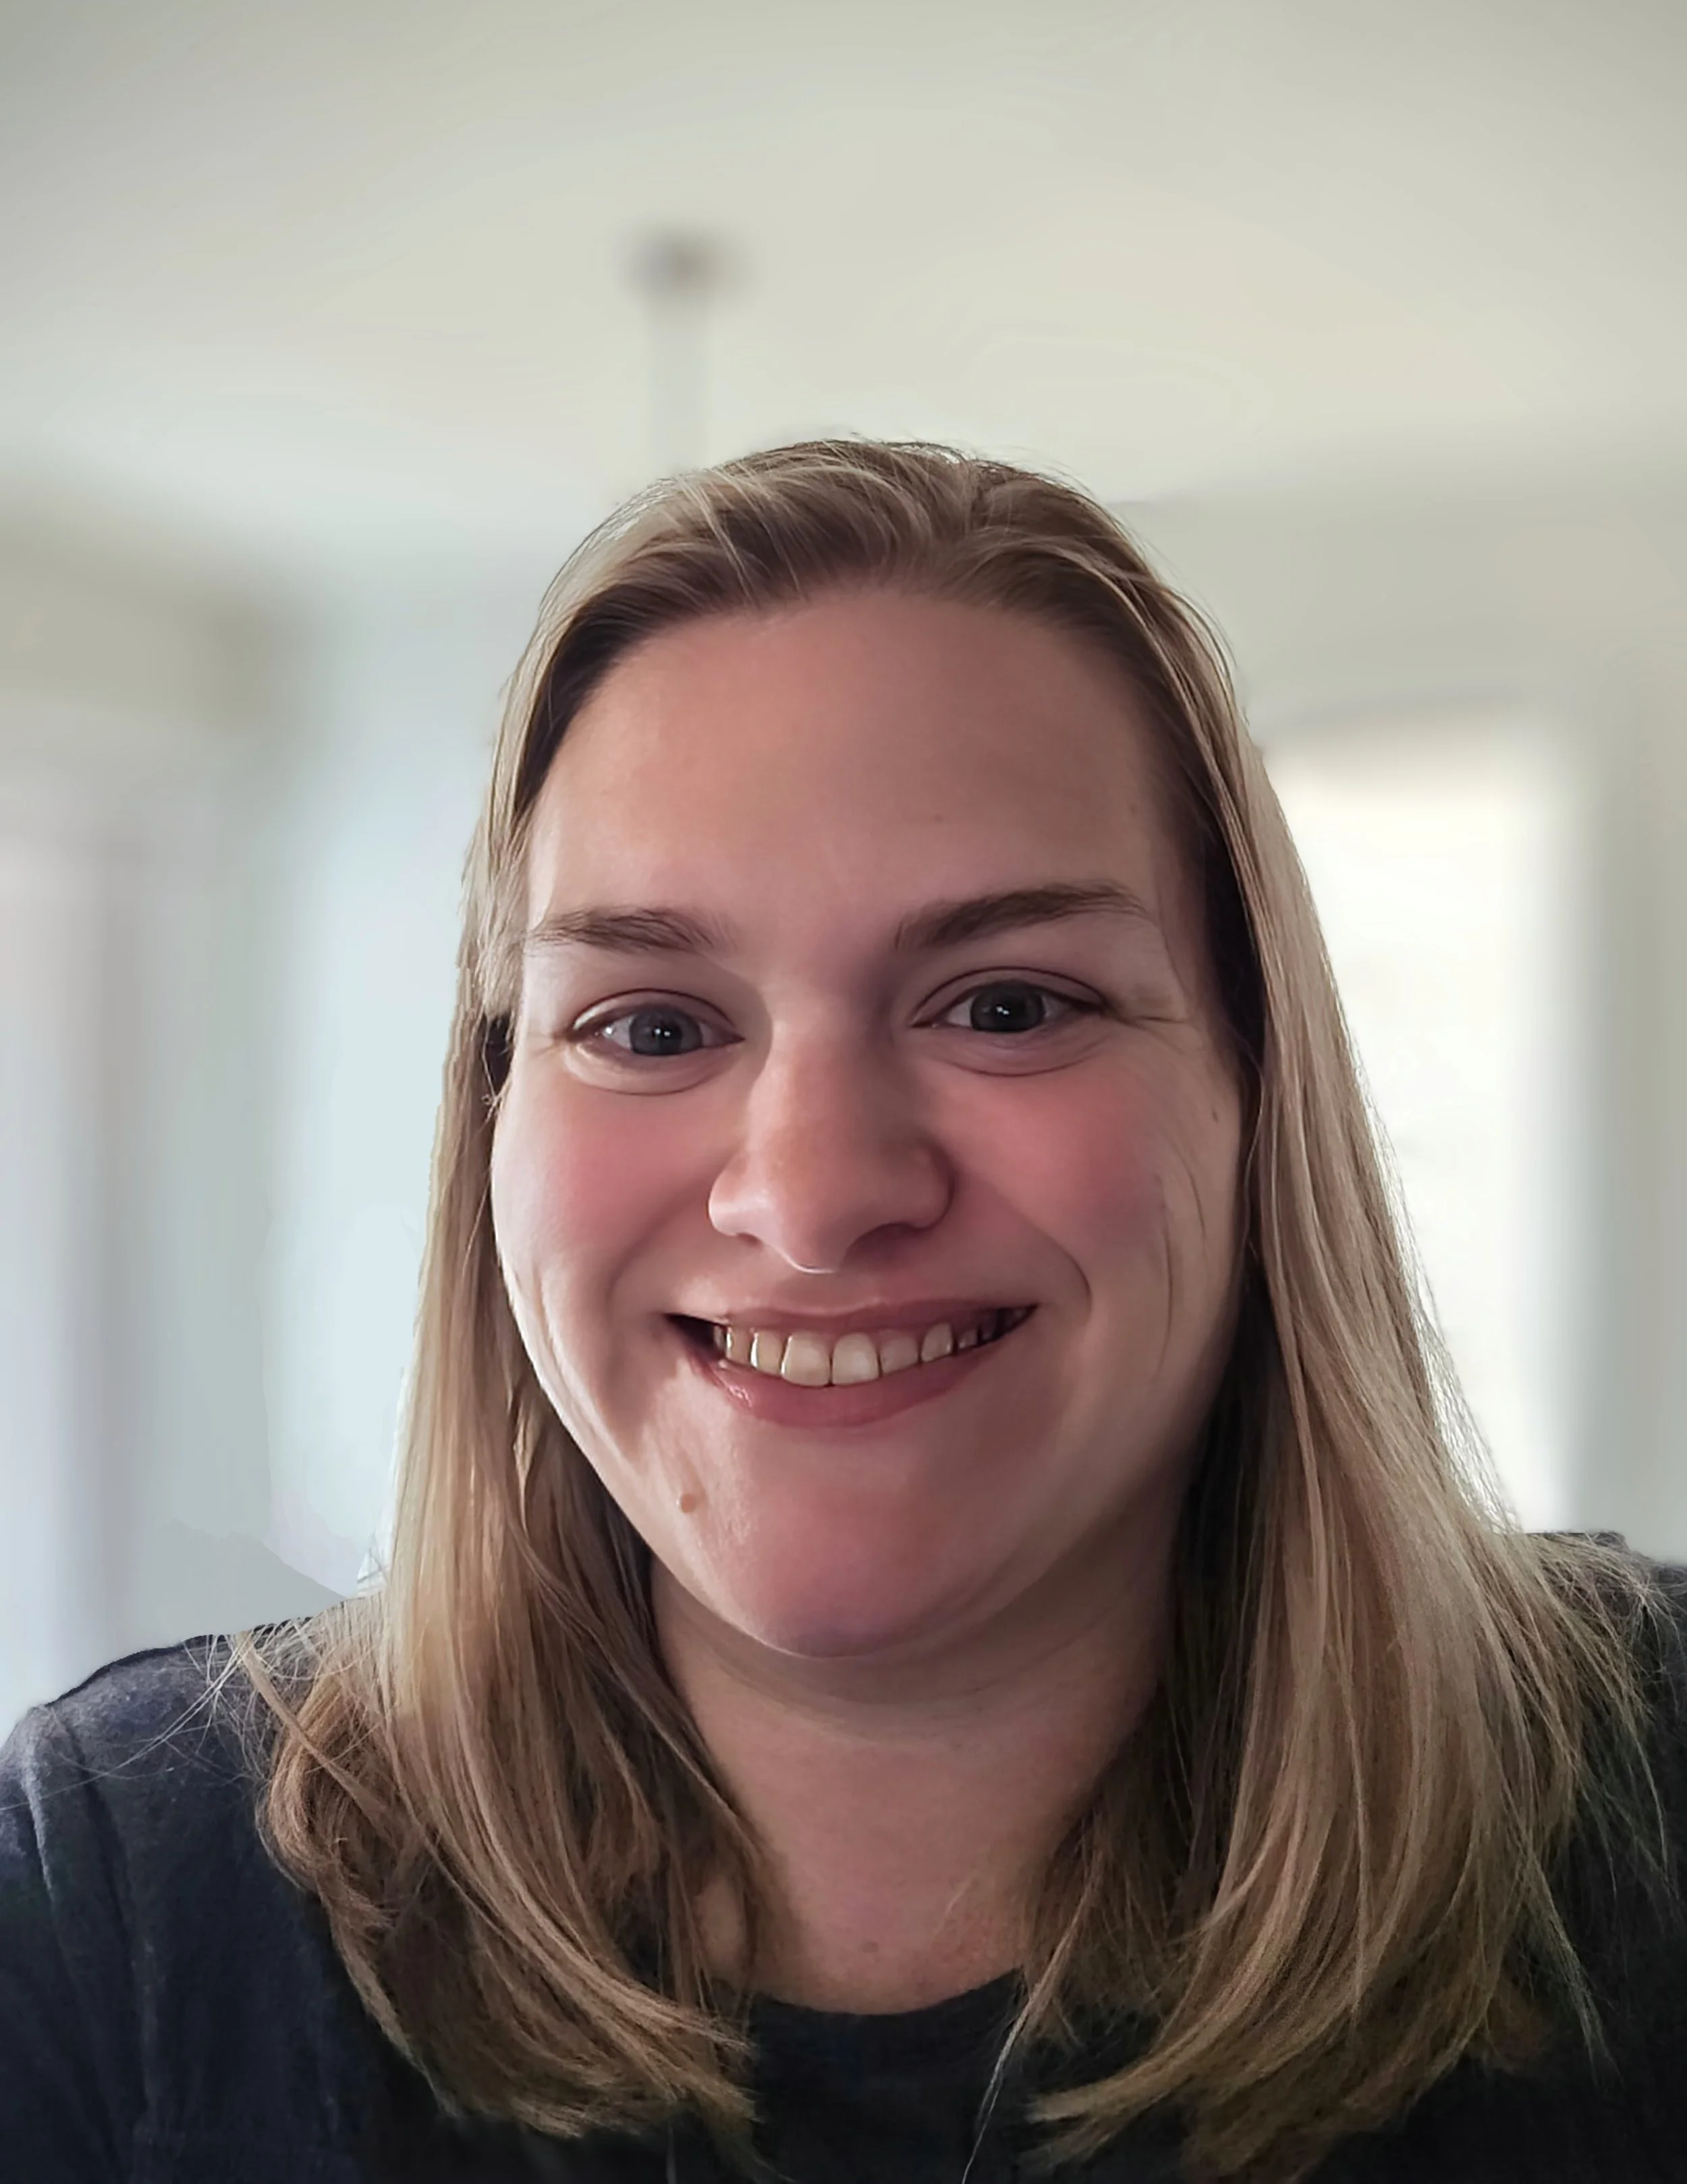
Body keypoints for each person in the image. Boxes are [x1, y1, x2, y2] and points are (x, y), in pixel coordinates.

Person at [2, 439, 1683, 2184]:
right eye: (650, 1024)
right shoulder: (112, 1904)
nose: (807, 1198)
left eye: (1007, 1002)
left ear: (1257, 1091)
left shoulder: (1651, 1819)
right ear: (490, 1116)